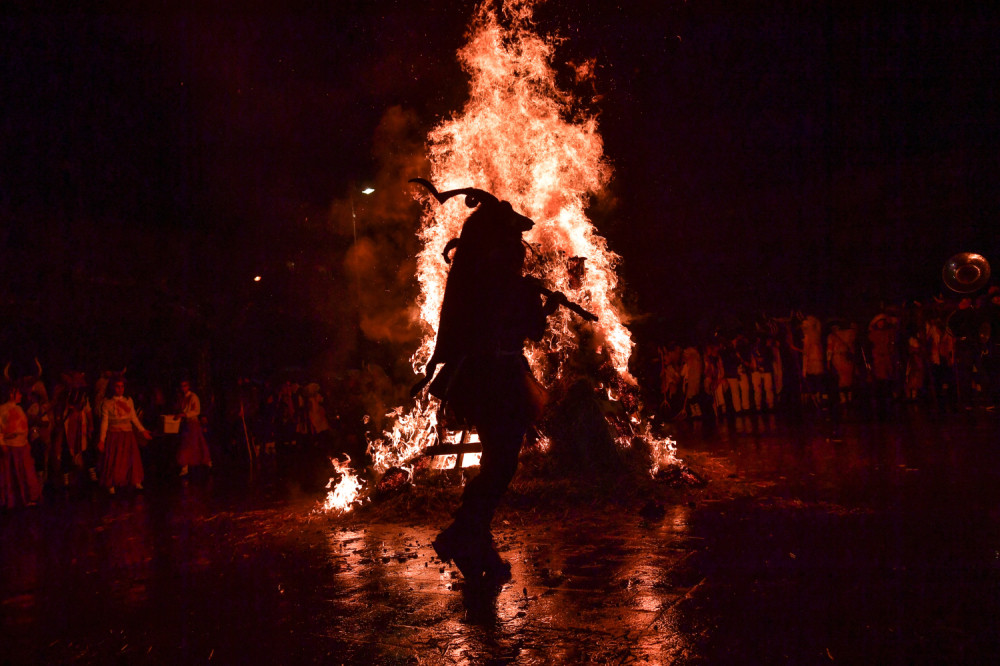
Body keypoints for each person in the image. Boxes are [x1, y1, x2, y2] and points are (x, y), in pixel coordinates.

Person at [409, 179, 569, 591]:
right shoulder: (507, 282)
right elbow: (530, 330)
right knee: (501, 464)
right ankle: (464, 534)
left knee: (497, 462)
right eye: (514, 237)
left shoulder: (475, 279)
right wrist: (545, 305)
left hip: (478, 380)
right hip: (500, 380)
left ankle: (473, 541)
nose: (519, 245)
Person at [97, 376, 151, 493]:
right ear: (112, 388)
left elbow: (133, 417)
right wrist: (102, 440)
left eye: (122, 386)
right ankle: (111, 483)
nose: (120, 389)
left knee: (131, 458)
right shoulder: (107, 402)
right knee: (114, 459)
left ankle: (136, 481)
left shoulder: (128, 400)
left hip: (127, 434)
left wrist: (142, 430)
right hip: (114, 435)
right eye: (117, 387)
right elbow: (104, 422)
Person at [0, 383, 43, 507]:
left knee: (26, 472)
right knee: (12, 474)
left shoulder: (19, 408)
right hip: (11, 445)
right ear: (11, 394)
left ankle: (29, 497)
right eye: (18, 393)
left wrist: (26, 442)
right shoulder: (3, 409)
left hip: (22, 444)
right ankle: (13, 500)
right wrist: (2, 443)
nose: (20, 395)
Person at [177, 380, 212, 476]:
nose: (183, 388)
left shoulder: (193, 397)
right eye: (181, 386)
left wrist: (185, 414)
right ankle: (185, 466)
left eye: (185, 385)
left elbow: (196, 411)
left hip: (193, 423)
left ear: (188, 386)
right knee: (186, 445)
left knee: (197, 443)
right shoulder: (183, 398)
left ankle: (207, 461)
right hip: (186, 423)